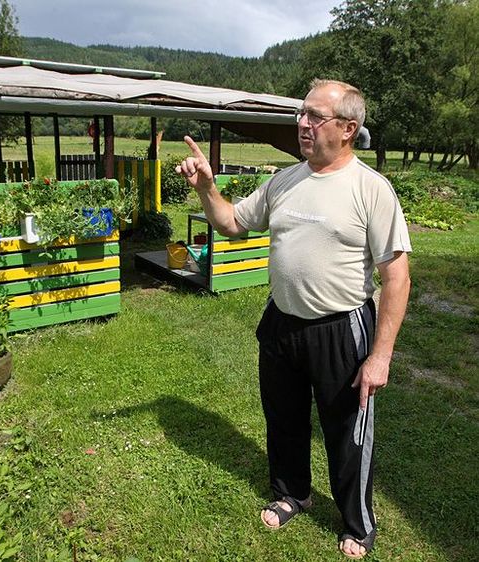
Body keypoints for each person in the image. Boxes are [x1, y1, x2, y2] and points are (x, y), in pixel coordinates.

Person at [176, 79, 411, 559]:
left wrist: (380, 356)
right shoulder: (284, 180)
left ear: (348, 129)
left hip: (341, 330)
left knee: (347, 431)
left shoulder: (371, 189)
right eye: (301, 115)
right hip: (281, 322)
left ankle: (357, 522)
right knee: (283, 420)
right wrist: (206, 188)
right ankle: (292, 493)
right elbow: (232, 224)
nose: (302, 124)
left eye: (314, 117)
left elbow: (397, 278)